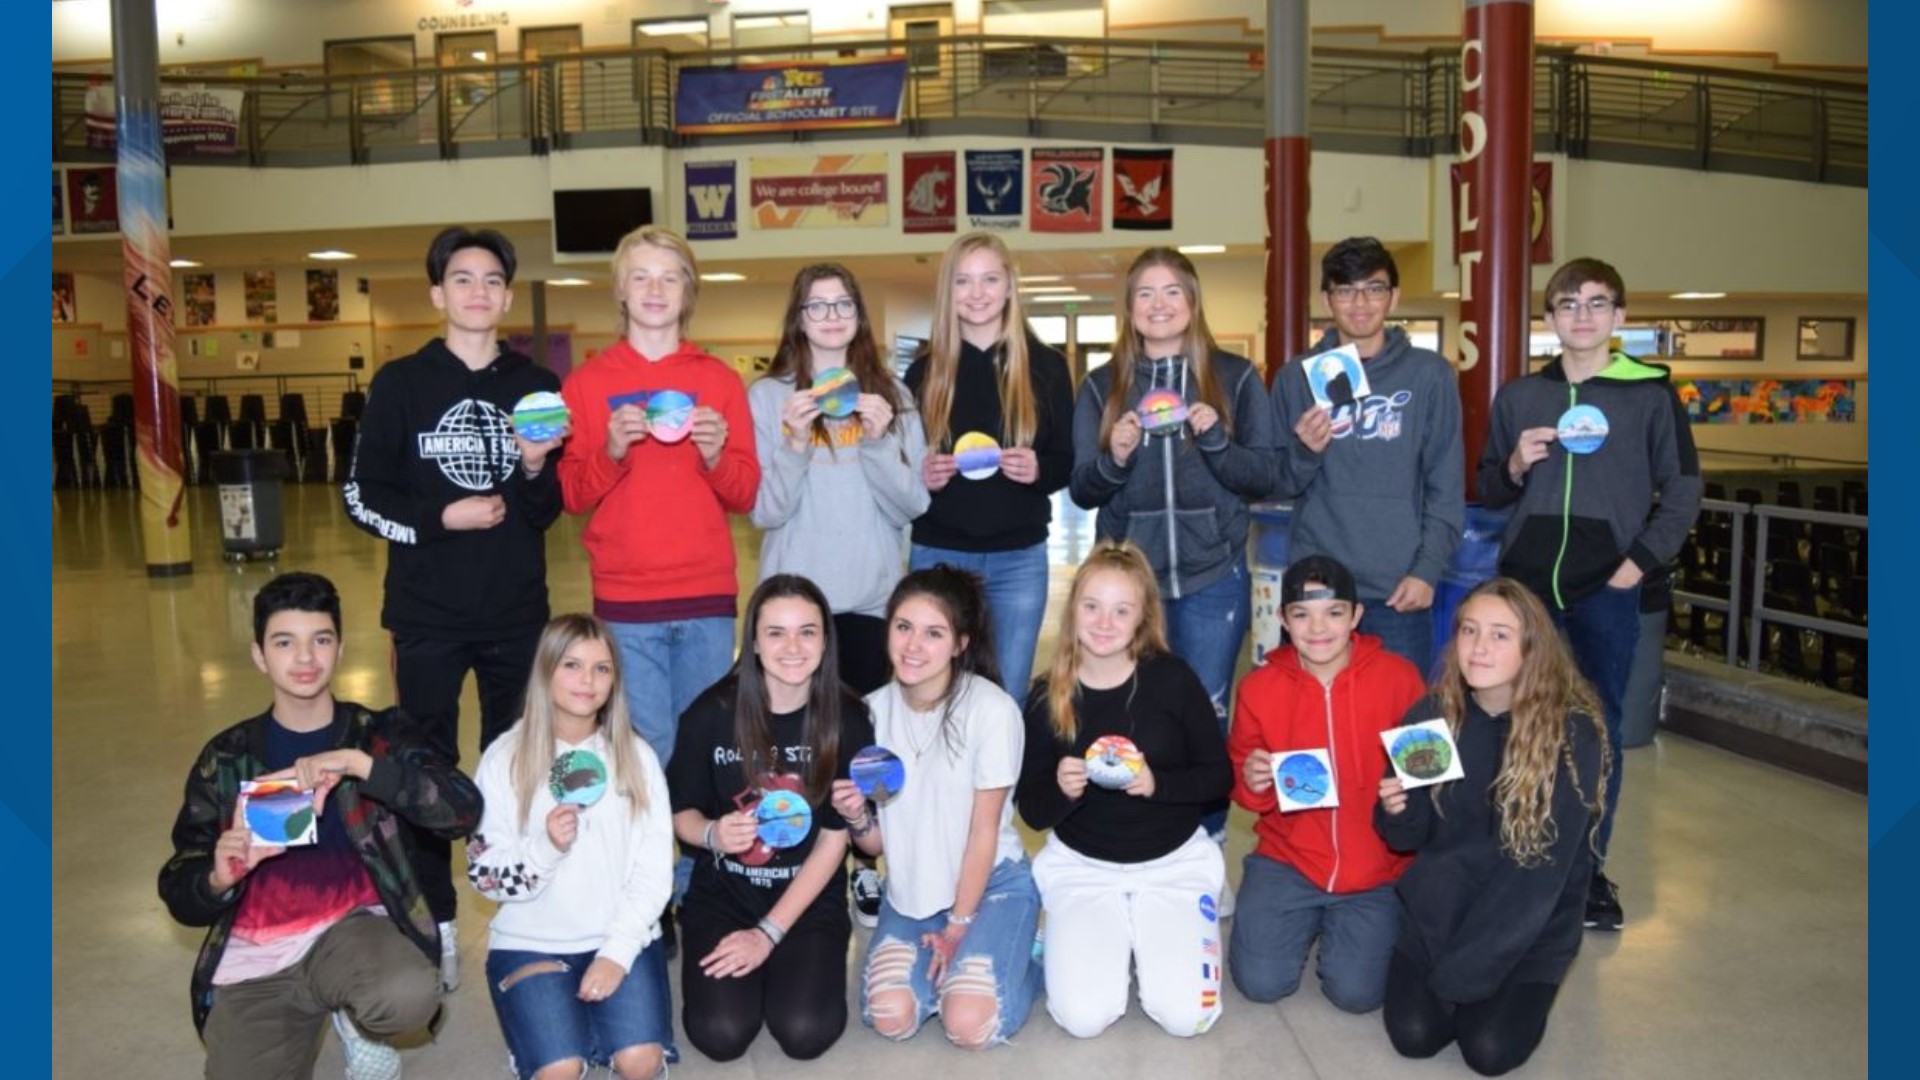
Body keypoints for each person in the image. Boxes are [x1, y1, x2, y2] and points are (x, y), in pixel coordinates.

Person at [341, 226, 566, 987]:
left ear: (507, 294)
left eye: (493, 279)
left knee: (516, 769)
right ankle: (433, 918)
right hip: (427, 617)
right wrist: (443, 518)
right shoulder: (401, 384)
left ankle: (522, 909)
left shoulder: (535, 387)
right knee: (424, 773)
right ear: (438, 294)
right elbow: (361, 496)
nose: (479, 292)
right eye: (462, 279)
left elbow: (546, 510)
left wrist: (534, 464)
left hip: (515, 615)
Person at [157, 572, 482, 1080]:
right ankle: (321, 1010)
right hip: (259, 954)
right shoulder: (227, 756)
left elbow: (463, 809)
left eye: (321, 640)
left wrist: (361, 765)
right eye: (285, 642)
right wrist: (217, 877)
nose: (305, 659)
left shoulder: (377, 734)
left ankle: (357, 1017)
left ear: (340, 649)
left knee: (407, 995)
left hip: (352, 935)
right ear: (260, 655)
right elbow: (180, 883)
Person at [1476, 256, 1702, 932]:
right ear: (1549, 319)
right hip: (1526, 591)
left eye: (1597, 304)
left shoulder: (1651, 393)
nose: (1582, 315)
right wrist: (1515, 463)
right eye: (1568, 304)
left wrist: (1634, 566)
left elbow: (1684, 490)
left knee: (1595, 731)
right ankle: (1510, 853)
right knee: (1514, 723)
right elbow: (1491, 488)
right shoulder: (1521, 395)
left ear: (1620, 318)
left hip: (1607, 590)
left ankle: (1588, 866)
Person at [1069, 246, 1279, 848]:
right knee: (1133, 713)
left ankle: (1205, 842)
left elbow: (1262, 475)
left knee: (1207, 713)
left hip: (1213, 575)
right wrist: (1117, 457)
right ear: (1129, 309)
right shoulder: (1101, 385)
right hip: (1132, 585)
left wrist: (1215, 442)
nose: (1159, 305)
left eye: (1171, 292)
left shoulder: (1235, 377)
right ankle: (1139, 833)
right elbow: (1084, 490)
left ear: (1192, 302)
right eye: (1145, 294)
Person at [747, 263, 927, 928]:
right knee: (796, 741)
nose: (829, 316)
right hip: (797, 607)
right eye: (816, 305)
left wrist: (879, 442)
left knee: (866, 746)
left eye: (842, 303)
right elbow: (765, 510)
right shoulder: (768, 398)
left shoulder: (894, 397)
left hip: (872, 601)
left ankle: (867, 865)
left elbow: (914, 503)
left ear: (859, 315)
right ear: (798, 317)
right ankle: (792, 860)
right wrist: (794, 443)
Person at [1376, 578, 1609, 1076]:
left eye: (1500, 635)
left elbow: (1538, 882)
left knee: (1488, 1052)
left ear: (1533, 647)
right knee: (1415, 1038)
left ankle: (1505, 993)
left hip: (1527, 926)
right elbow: (1407, 841)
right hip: (1441, 910)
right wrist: (1397, 809)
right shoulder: (1431, 715)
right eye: (1469, 630)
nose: (1479, 647)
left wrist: (1459, 975)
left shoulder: (1571, 735)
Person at [555, 223, 760, 773]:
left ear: (688, 292)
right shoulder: (586, 383)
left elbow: (745, 493)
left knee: (703, 755)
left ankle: (696, 863)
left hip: (706, 599)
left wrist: (717, 457)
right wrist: (611, 450)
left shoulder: (718, 381)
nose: (654, 288)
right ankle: (649, 863)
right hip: (626, 601)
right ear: (619, 289)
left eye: (670, 278)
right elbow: (572, 493)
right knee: (644, 757)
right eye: (640, 276)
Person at [1016, 541, 1233, 1038]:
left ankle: (1150, 931)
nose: (1104, 622)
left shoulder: (1173, 679)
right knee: (1082, 1018)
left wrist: (1159, 784)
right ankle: (1081, 929)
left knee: (1187, 1017)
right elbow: (1032, 811)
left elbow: (1220, 779)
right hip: (1084, 868)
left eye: (1121, 610)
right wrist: (1062, 789)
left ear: (1142, 618)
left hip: (1172, 864)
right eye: (1092, 606)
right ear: (1072, 611)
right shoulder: (1047, 695)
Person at [830, 565, 1041, 1049]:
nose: (913, 646)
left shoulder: (992, 711)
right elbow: (879, 842)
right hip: (911, 893)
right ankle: (960, 973)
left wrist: (958, 927)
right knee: (891, 1017)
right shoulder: (869, 714)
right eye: (903, 627)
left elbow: (983, 833)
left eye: (933, 633)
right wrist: (856, 816)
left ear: (960, 643)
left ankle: (1025, 956)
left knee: (968, 1023)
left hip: (990, 886)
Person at [666, 575, 876, 1061]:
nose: (793, 647)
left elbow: (834, 840)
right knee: (720, 1034)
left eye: (807, 631)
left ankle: (785, 958)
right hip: (722, 896)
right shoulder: (710, 713)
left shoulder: (848, 718)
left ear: (826, 641)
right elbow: (682, 814)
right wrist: (714, 833)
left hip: (806, 900)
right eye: (776, 632)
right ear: (754, 642)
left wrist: (769, 933)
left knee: (804, 1032)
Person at [465, 615, 676, 1080]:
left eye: (602, 669)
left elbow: (654, 870)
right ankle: (555, 1042)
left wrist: (617, 953)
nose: (587, 680)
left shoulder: (636, 757)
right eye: (572, 665)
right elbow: (483, 876)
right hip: (530, 944)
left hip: (620, 937)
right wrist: (543, 848)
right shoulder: (504, 758)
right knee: (561, 1069)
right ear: (545, 671)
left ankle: (594, 1030)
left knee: (639, 1063)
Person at [1226, 555, 1427, 1014]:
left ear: (1356, 616)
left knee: (1357, 994)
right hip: (1289, 860)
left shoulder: (1402, 680)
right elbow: (1245, 787)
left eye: (1334, 613)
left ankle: (1344, 925)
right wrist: (1255, 780)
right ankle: (1302, 916)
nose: (1318, 629)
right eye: (1302, 614)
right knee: (1261, 983)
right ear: (1282, 620)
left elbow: (1431, 783)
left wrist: (1406, 801)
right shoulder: (1258, 688)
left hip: (1376, 868)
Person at [1271, 236, 1464, 673]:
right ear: (1327, 299)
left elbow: (1445, 483)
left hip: (1399, 590)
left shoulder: (1429, 376)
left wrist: (1427, 569)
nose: (1360, 302)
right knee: (1313, 721)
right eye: (1345, 290)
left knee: (1402, 730)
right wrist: (1304, 452)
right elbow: (1276, 482)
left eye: (1374, 289)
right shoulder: (1295, 378)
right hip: (1317, 589)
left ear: (1393, 296)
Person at [905, 231, 1075, 698]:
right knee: (932, 690)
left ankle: (1000, 777)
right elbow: (900, 470)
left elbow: (1067, 465)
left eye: (989, 279)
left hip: (1018, 559)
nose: (977, 293)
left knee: (1006, 694)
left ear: (1008, 287)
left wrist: (1039, 469)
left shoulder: (1047, 367)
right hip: (939, 553)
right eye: (963, 281)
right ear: (948, 291)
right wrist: (923, 473)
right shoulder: (924, 372)